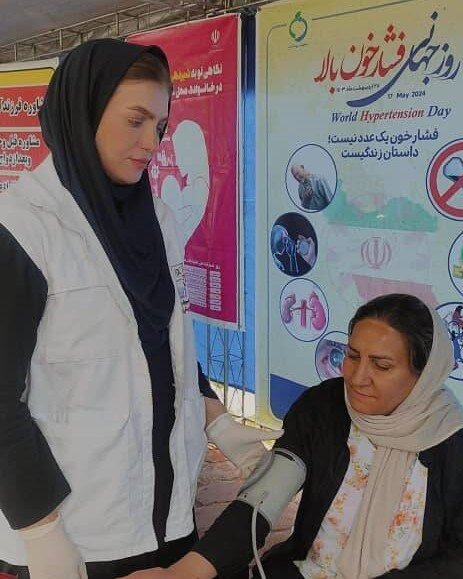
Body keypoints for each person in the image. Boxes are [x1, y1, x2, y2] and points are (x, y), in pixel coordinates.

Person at [0, 38, 280, 579]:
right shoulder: (22, 229)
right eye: (135, 121)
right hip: (74, 530)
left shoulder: (157, 219)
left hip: (166, 510)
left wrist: (218, 423)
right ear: (84, 112)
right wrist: (40, 529)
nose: (151, 142)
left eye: (160, 125)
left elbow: (159, 346)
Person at [124, 293, 463, 579]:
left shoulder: (458, 447)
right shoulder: (325, 407)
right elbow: (262, 500)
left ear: (424, 375)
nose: (357, 377)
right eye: (353, 355)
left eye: (381, 365)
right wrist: (184, 572)